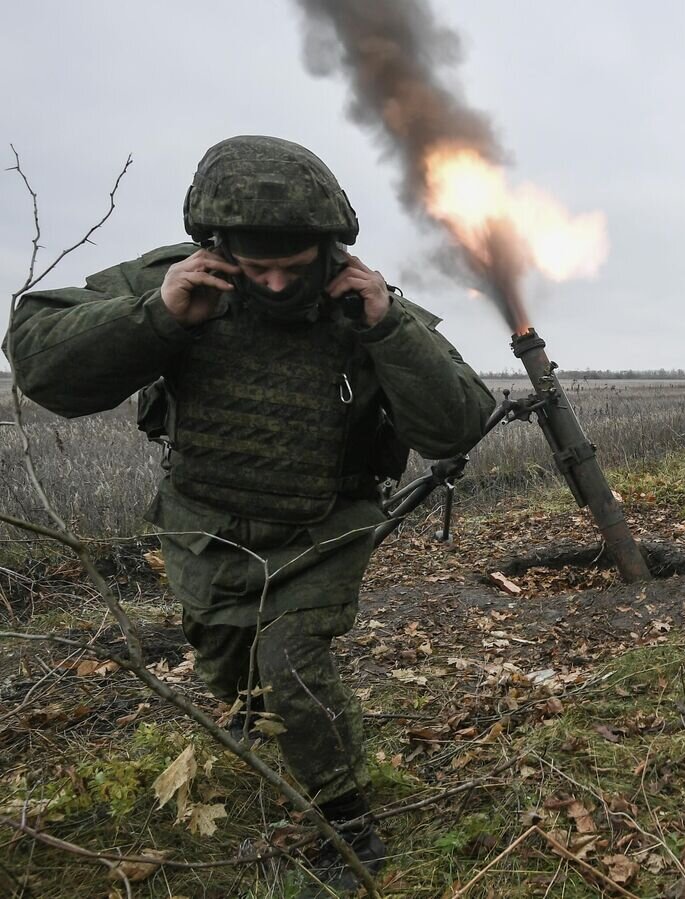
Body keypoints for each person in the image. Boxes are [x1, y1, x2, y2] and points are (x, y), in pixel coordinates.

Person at [4, 135, 496, 890]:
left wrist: (386, 326)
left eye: (292, 270)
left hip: (323, 526)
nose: (271, 284)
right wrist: (159, 314)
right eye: (254, 267)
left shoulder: (360, 296)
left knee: (291, 665)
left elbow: (459, 422)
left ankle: (345, 815)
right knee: (231, 669)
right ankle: (253, 722)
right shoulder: (179, 276)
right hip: (205, 524)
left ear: (327, 250)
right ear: (217, 244)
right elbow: (37, 352)